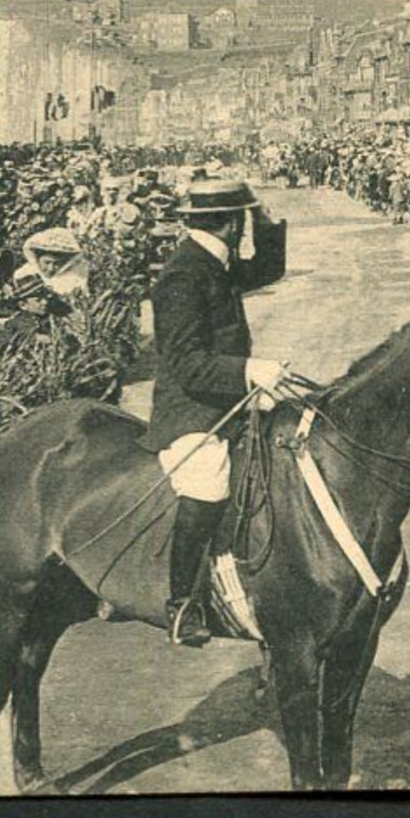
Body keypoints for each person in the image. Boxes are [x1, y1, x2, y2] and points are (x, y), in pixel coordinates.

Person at [143, 178, 290, 646]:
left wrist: (262, 218)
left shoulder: (214, 260)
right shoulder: (185, 274)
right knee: (208, 484)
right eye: (243, 219)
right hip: (191, 409)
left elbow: (266, 269)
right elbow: (186, 364)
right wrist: (248, 369)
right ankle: (182, 603)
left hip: (227, 397)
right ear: (231, 223)